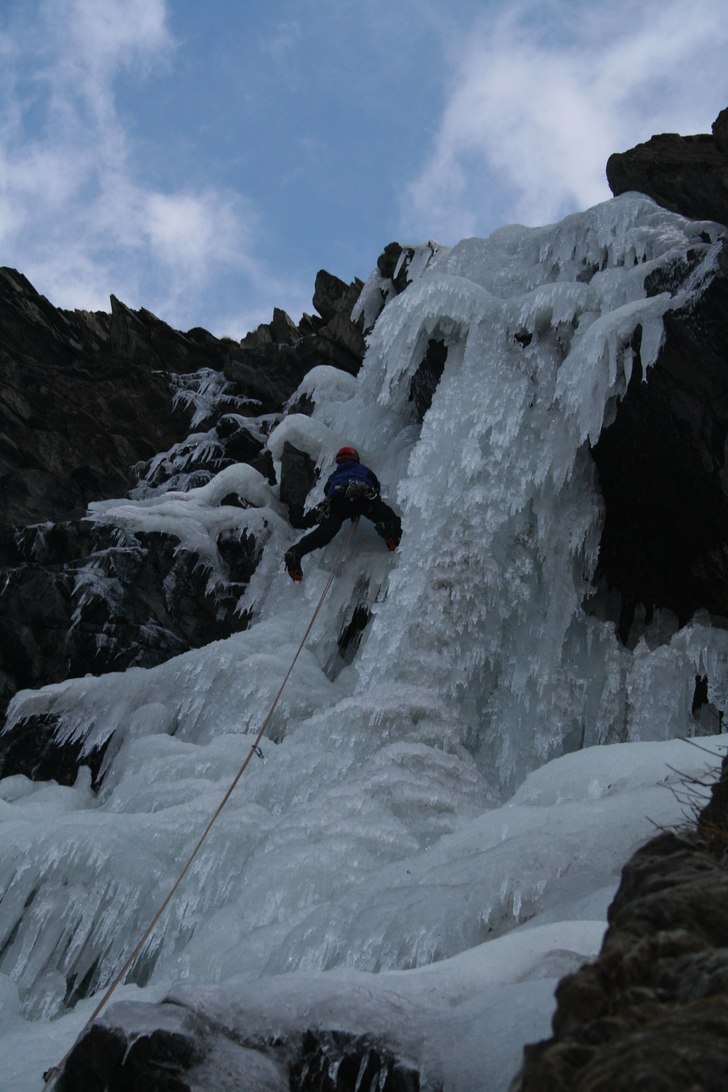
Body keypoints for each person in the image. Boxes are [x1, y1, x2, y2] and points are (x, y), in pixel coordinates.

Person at [284, 446, 402, 581]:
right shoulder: (363, 470)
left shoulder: (334, 476)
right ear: (356, 459)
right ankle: (389, 529)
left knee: (325, 531)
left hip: (337, 501)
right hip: (360, 494)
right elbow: (375, 486)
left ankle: (296, 552)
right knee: (384, 513)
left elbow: (327, 490)